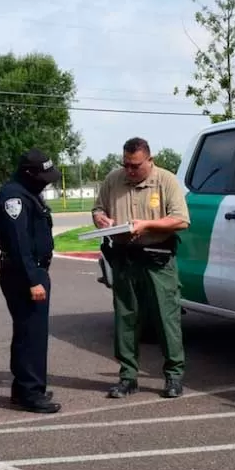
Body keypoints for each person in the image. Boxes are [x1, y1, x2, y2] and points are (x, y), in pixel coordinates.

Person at [91, 137, 190, 398]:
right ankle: (127, 376)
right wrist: (100, 218)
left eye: (135, 166)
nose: (130, 171)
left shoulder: (166, 180)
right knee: (126, 318)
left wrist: (146, 225)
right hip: (124, 258)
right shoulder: (113, 180)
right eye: (126, 165)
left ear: (150, 160)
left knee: (165, 317)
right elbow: (98, 208)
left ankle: (173, 376)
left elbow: (181, 220)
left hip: (157, 258)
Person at [0, 148, 63, 414]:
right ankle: (31, 393)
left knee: (29, 332)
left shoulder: (27, 194)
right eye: (42, 175)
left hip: (31, 271)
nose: (46, 180)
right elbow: (19, 244)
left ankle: (24, 388)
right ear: (29, 173)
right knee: (31, 335)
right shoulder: (14, 198)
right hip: (24, 274)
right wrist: (33, 279)